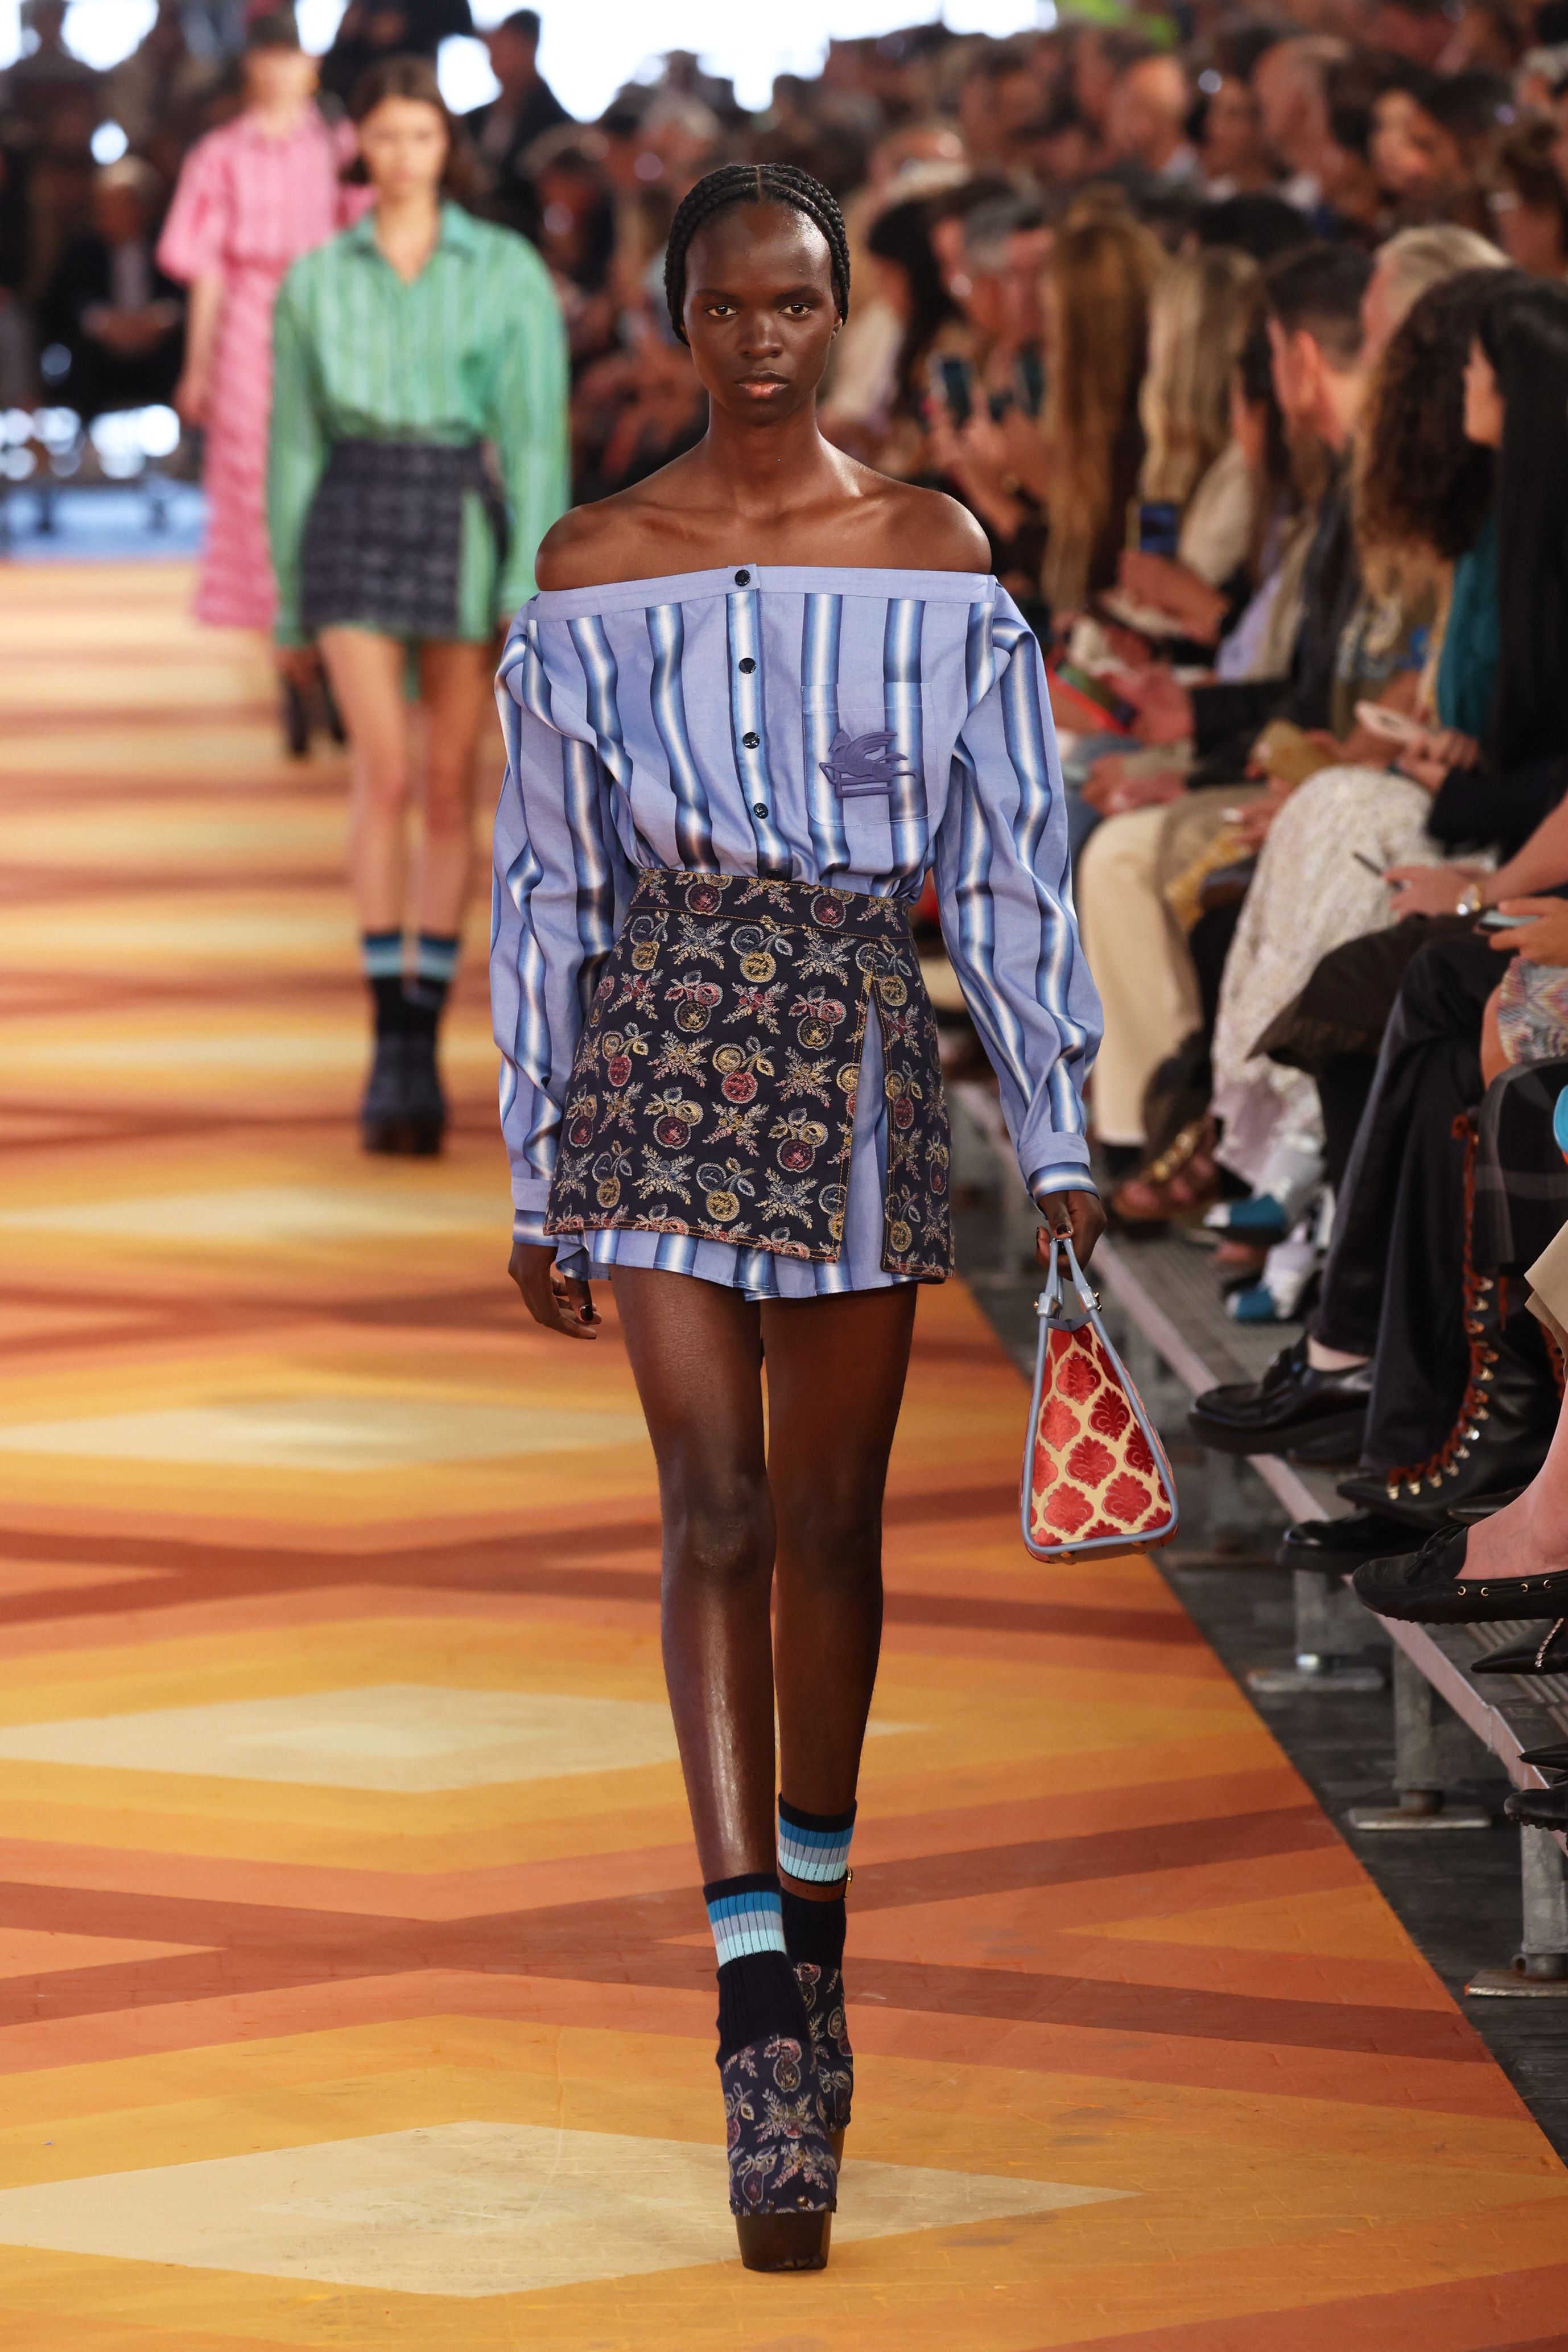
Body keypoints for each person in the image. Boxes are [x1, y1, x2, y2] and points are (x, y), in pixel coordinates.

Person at [491, 160, 1103, 2268]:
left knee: (833, 1521)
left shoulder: (936, 556)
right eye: (727, 306)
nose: (761, 339)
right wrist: (533, 1153)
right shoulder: (589, 568)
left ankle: (817, 1933)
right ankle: (754, 2001)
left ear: (840, 315)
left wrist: (1060, 1128)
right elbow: (547, 881)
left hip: (849, 1032)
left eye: (797, 305)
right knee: (716, 1511)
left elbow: (1013, 860)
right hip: (658, 1033)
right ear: (672, 317)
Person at [270, 55, 567, 1155]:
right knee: (384, 768)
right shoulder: (315, 278)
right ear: (359, 143)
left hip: (459, 506)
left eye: (424, 138)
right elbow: (292, 447)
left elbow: (537, 436)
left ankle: (417, 1040)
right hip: (351, 504)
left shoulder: (505, 271)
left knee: (448, 784)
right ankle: (386, 1026)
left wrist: (526, 584)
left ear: (449, 149)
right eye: (387, 137)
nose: (403, 158)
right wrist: (288, 604)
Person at [159, 10, 360, 749]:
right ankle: (291, 667)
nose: (281, 71)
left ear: (311, 66)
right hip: (248, 330)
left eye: (294, 57)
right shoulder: (219, 154)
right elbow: (206, 271)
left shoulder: (340, 147)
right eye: (270, 58)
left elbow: (368, 252)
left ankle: (336, 665)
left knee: (328, 493)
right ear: (252, 67)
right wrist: (197, 366)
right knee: (255, 497)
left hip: (328, 328)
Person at [40, 158, 183, 419]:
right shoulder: (83, 252)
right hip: (102, 351)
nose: (108, 214)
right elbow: (67, 304)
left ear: (142, 207)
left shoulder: (166, 244)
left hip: (157, 345)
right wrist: (106, 324)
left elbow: (181, 297)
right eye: (103, 206)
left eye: (119, 205)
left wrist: (156, 322)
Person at [466, 9, 569, 239]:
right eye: (492, 48)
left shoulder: (557, 125)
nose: (494, 56)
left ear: (530, 47)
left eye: (505, 47)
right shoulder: (473, 119)